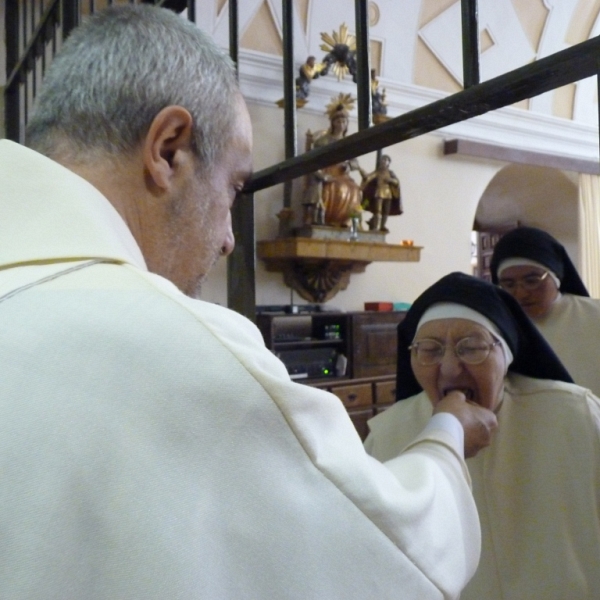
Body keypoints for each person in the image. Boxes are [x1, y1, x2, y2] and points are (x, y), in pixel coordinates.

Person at [0, 6, 498, 599]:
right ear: (168, 150)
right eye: (235, 187)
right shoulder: (181, 349)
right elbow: (397, 556)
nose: (231, 238)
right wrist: (445, 438)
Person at [365, 272, 600, 600]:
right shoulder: (389, 433)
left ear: (507, 356)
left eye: (471, 348)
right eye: (429, 350)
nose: (448, 368)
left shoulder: (573, 414)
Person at [490, 225, 600, 397]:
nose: (521, 293)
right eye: (509, 285)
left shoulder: (595, 316)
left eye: (532, 280)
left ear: (555, 277)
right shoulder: (495, 328)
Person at [304, 96, 364, 227]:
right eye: (338, 121)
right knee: (337, 188)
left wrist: (349, 166)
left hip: (343, 173)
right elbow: (314, 160)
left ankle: (347, 220)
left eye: (344, 121)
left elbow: (355, 162)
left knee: (355, 189)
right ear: (333, 123)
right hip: (328, 172)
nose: (341, 124)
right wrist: (323, 173)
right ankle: (325, 218)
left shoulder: (349, 142)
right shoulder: (323, 141)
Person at [360, 153, 402, 232]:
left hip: (388, 194)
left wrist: (391, 180)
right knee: (378, 211)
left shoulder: (390, 173)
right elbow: (368, 177)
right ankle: (375, 226)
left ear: (388, 163)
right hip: (379, 193)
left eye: (386, 160)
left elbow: (396, 182)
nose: (383, 162)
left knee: (386, 211)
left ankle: (382, 226)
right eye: (382, 160)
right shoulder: (378, 172)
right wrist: (360, 169)